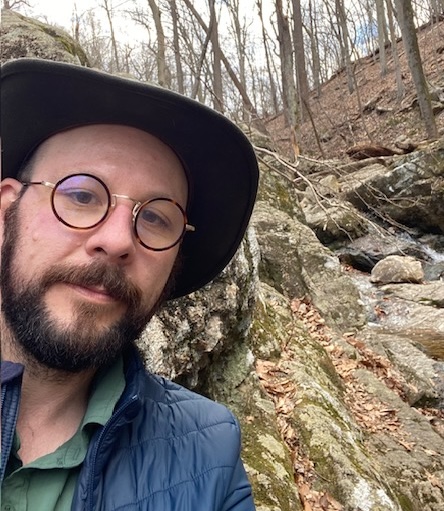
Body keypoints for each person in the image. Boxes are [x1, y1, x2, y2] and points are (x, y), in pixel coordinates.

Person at [0, 58, 259, 510]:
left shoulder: (210, 457)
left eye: (156, 218)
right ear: (6, 214)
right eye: (81, 195)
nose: (119, 240)